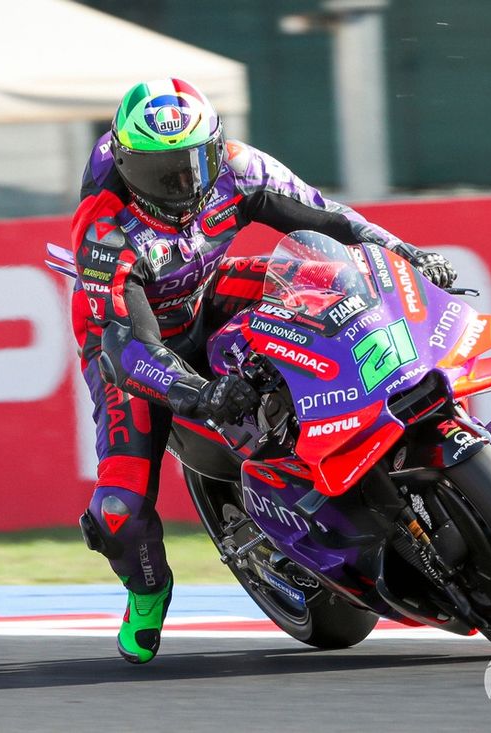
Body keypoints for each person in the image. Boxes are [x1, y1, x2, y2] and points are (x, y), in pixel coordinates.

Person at [70, 78, 456, 663]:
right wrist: (201, 396)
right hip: (128, 342)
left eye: (191, 164)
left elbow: (331, 220)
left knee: (326, 281)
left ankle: (362, 415)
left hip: (207, 288)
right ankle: (147, 592)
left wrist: (406, 254)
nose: (179, 185)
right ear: (126, 166)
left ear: (216, 148)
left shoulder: (240, 169)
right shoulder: (104, 230)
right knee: (119, 511)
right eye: (158, 172)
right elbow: (128, 352)